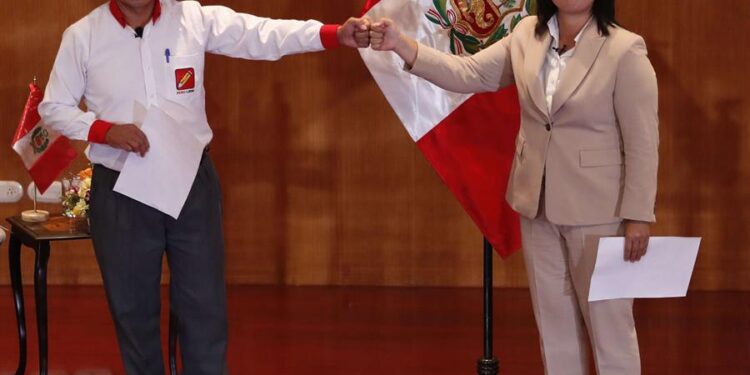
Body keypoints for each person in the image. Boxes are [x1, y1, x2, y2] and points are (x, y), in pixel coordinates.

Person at [39, 0, 370, 373]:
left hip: (191, 183)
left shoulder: (193, 17)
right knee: (133, 310)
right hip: (121, 189)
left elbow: (261, 34)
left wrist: (332, 35)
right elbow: (54, 108)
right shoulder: (83, 35)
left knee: (204, 306)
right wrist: (104, 131)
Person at [369, 0, 658, 373]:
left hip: (600, 210)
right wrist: (402, 44)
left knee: (609, 327)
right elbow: (467, 72)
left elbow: (643, 142)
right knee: (553, 326)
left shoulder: (625, 48)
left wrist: (638, 215)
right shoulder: (525, 35)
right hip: (535, 203)